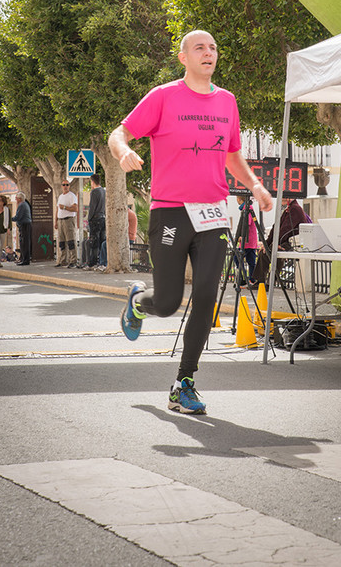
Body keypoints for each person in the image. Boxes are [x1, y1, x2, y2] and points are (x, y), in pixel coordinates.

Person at [108, 29, 273, 415]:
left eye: (214, 47)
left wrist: (256, 185)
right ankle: (138, 301)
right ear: (183, 57)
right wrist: (123, 151)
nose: (208, 52)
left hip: (213, 212)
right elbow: (120, 132)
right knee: (167, 302)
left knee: (206, 299)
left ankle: (184, 383)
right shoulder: (163, 96)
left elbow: (233, 155)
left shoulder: (227, 102)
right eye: (199, 47)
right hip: (170, 210)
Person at [253, 198, 310, 286]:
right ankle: (261, 281)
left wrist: (276, 243)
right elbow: (276, 227)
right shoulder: (288, 209)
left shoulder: (295, 209)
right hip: (283, 241)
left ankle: (270, 281)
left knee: (273, 250)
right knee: (264, 252)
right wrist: (266, 244)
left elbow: (285, 229)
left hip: (290, 242)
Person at [235, 195, 258, 286]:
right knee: (251, 260)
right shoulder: (248, 207)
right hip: (251, 240)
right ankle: (252, 279)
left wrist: (241, 236)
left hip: (247, 240)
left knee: (237, 258)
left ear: (239, 199)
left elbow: (246, 223)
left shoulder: (247, 208)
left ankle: (243, 279)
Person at [54, 180, 78, 268]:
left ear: (69, 186)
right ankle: (63, 260)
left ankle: (73, 260)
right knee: (61, 242)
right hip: (60, 221)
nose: (65, 186)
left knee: (71, 241)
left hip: (68, 220)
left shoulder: (72, 196)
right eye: (63, 185)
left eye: (67, 185)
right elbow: (57, 210)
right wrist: (55, 221)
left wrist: (64, 207)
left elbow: (75, 208)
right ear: (61, 186)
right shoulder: (60, 196)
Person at [85, 174, 106, 271]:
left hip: (95, 219)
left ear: (92, 182)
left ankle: (92, 264)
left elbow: (92, 207)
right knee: (102, 241)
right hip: (103, 218)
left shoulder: (94, 192)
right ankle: (101, 262)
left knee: (94, 242)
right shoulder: (104, 191)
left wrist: (89, 219)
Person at [12, 192, 32, 265]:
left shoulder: (22, 205)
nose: (15, 199)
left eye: (16, 198)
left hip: (25, 225)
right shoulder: (23, 204)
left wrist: (10, 219)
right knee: (23, 243)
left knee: (24, 243)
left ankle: (25, 260)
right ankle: (23, 258)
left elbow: (18, 217)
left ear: (19, 199)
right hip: (24, 225)